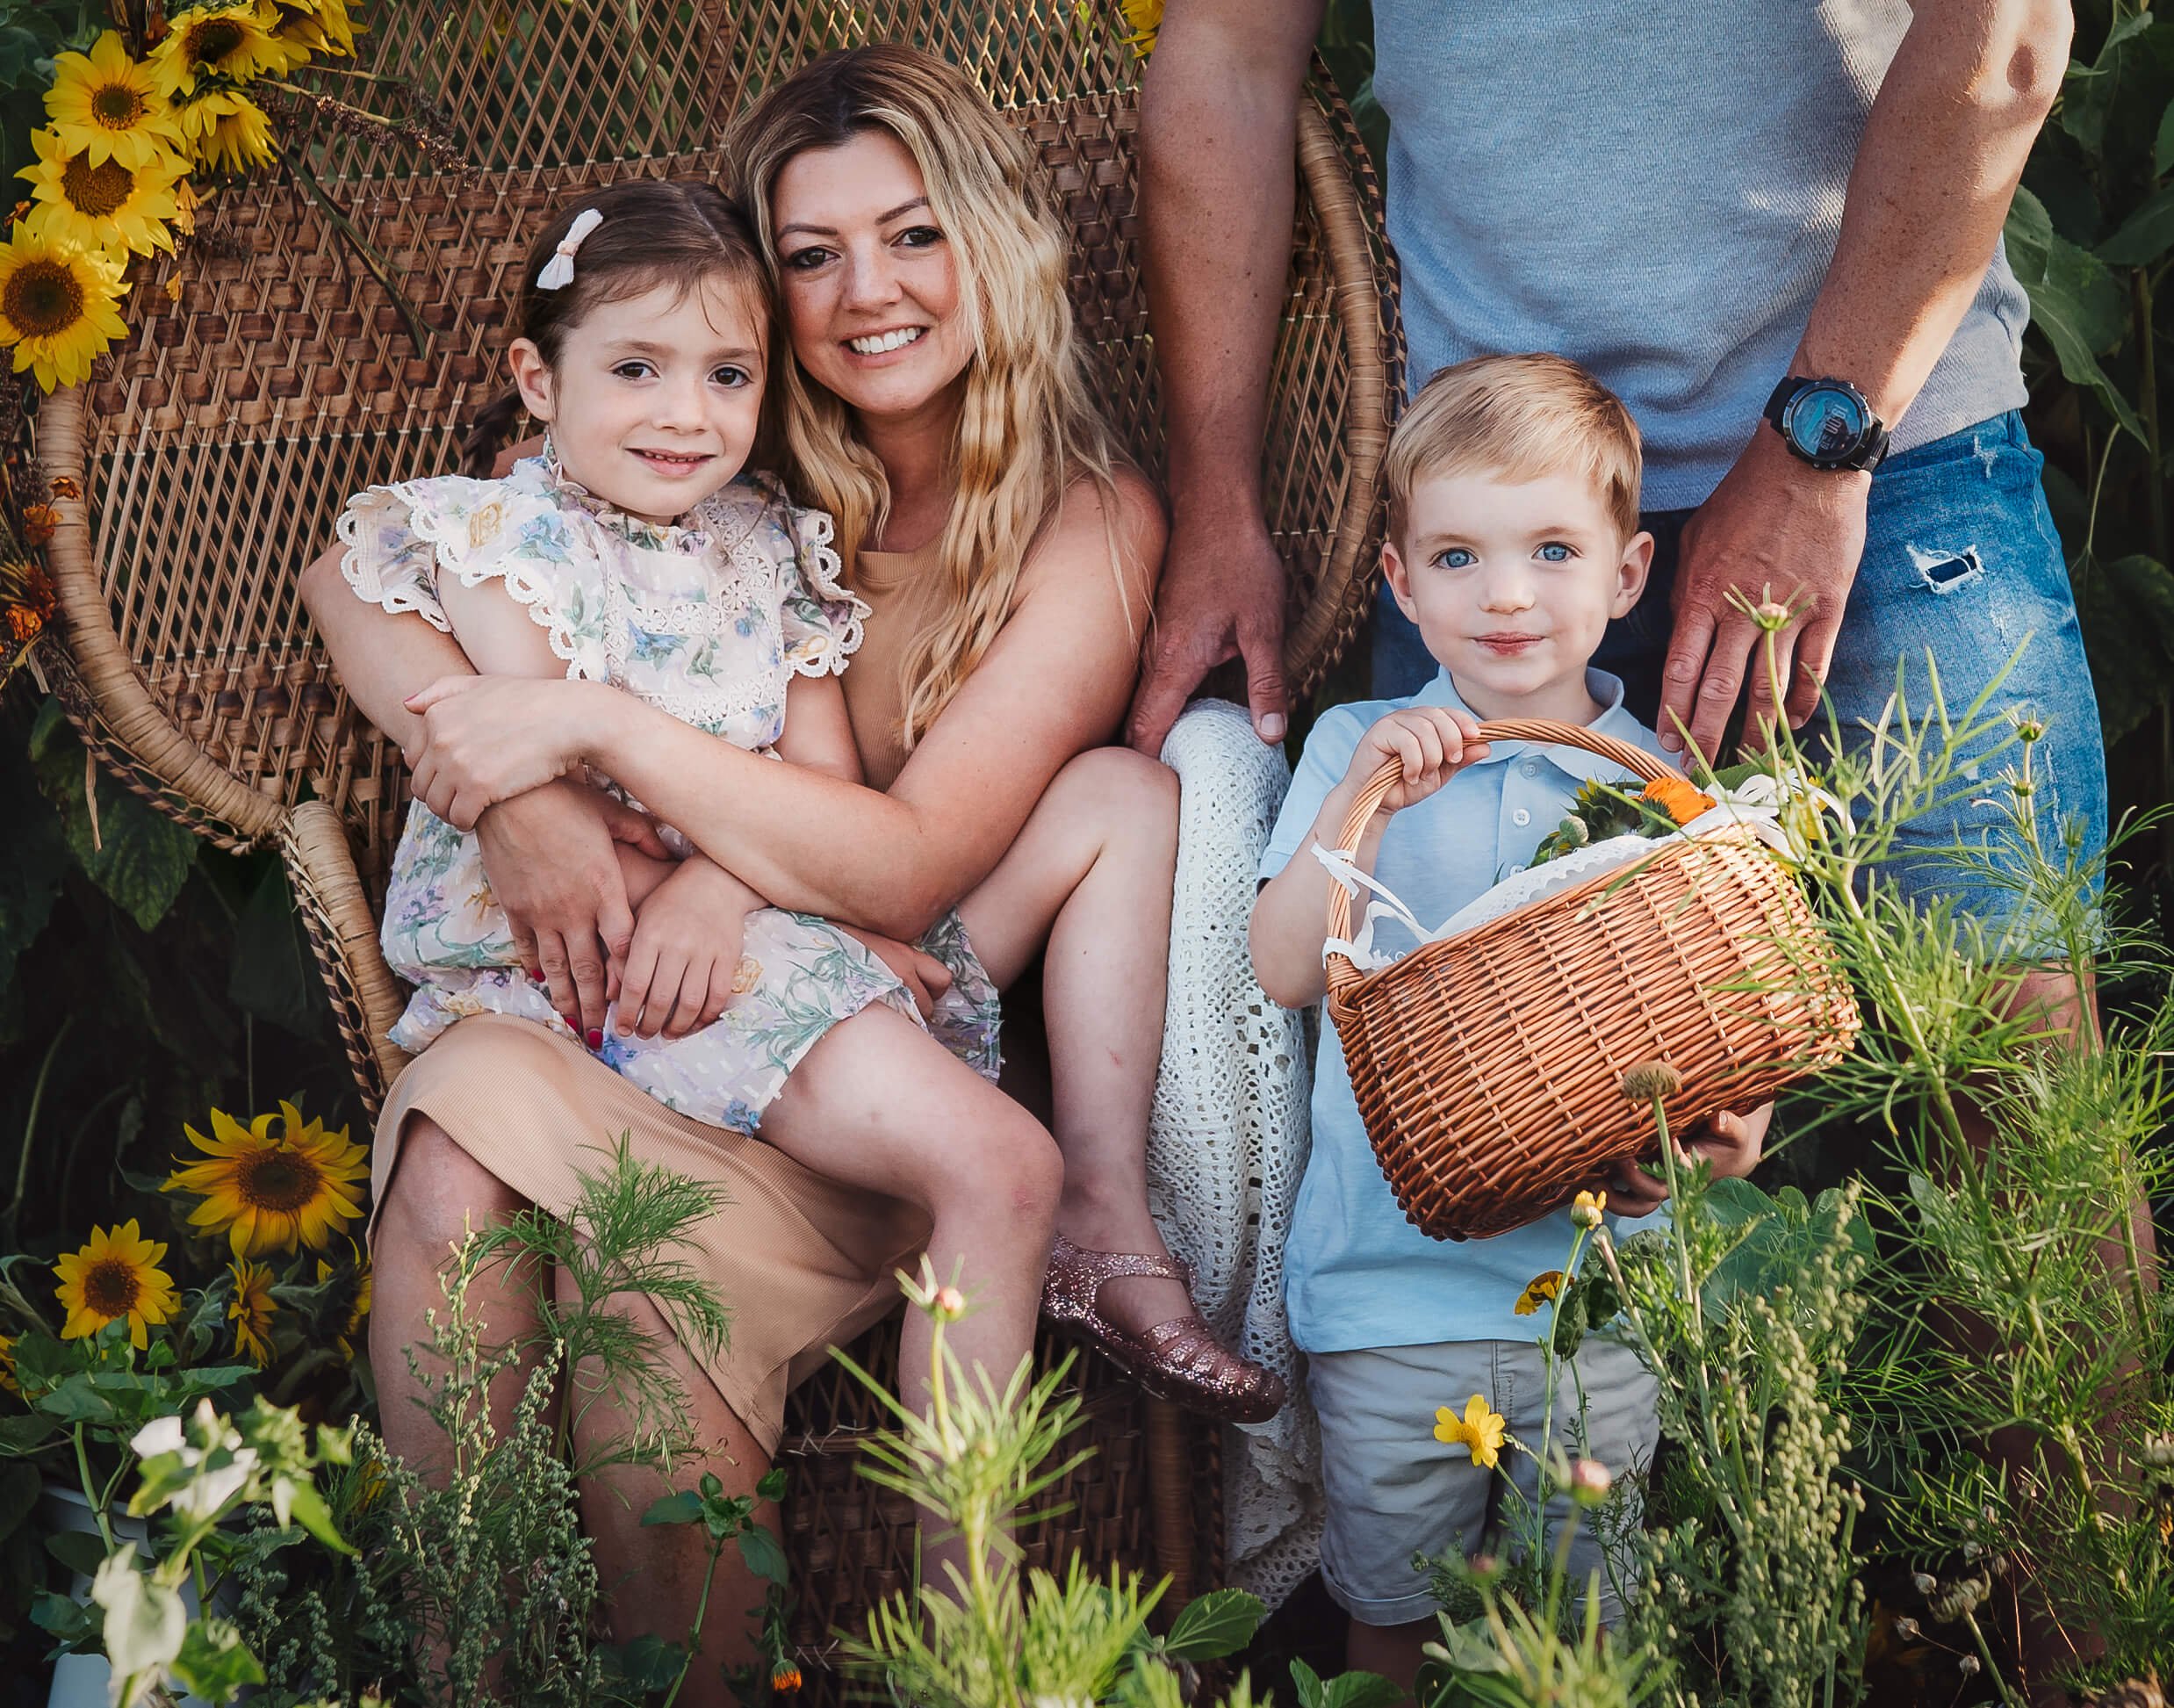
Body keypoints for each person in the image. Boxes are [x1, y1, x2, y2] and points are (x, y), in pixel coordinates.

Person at [299, 46, 1278, 1691]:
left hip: (831, 1021)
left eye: (911, 236)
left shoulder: (1079, 522)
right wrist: (507, 801)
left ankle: (962, 1648)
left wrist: (615, 756)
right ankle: (464, 1654)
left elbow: (898, 871)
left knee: (641, 1289)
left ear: (994, 244)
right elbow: (359, 571)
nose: (864, 292)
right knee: (460, 1179)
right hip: (628, 993)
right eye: (813, 255)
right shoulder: (722, 471)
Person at [1248, 355, 1771, 1690]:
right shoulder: (1359, 747)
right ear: (1400, 580)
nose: (1509, 594)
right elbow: (1283, 966)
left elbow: (1725, 1043)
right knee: (1391, 1620)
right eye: (1460, 555)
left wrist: (1724, 1136)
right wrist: (1360, 802)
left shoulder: (1659, 789)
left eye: (1552, 548)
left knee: (1586, 1633)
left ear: (1628, 574)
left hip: (1590, 1308)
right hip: (1385, 1294)